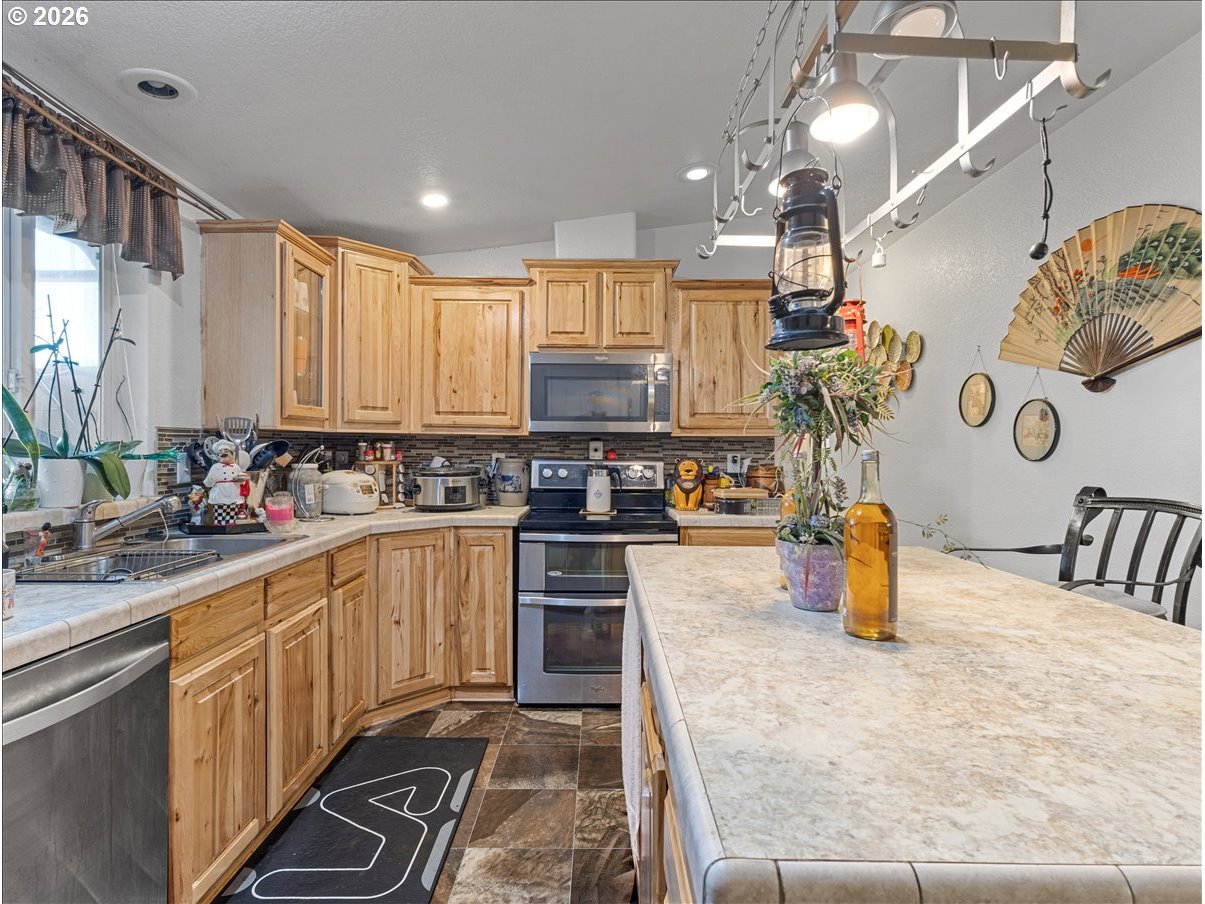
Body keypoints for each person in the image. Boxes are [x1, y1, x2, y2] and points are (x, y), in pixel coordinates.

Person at [204, 440, 248, 525]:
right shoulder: (215, 467)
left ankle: (231, 521)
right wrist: (211, 480)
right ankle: (218, 521)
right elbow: (209, 479)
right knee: (219, 506)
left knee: (232, 506)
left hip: (233, 489)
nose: (223, 453)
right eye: (220, 452)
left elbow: (241, 478)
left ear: (232, 454)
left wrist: (241, 479)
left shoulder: (236, 467)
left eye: (226, 451)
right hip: (220, 490)